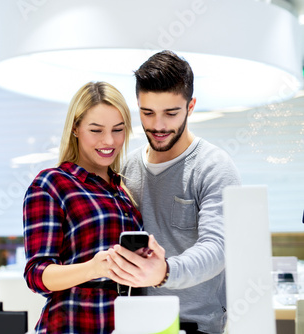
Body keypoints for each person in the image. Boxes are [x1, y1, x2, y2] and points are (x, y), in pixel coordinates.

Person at [107, 50, 241, 334]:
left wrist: (164, 272)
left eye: (170, 113)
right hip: (135, 322)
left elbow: (218, 249)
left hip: (194, 325)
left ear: (190, 106)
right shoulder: (128, 167)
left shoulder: (213, 166)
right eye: (148, 112)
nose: (158, 125)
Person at [23, 81, 143, 333]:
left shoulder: (123, 190)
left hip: (126, 322)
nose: (109, 140)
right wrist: (95, 268)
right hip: (72, 323)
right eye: (96, 130)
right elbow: (37, 275)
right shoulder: (52, 184)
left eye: (118, 129)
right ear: (76, 128)